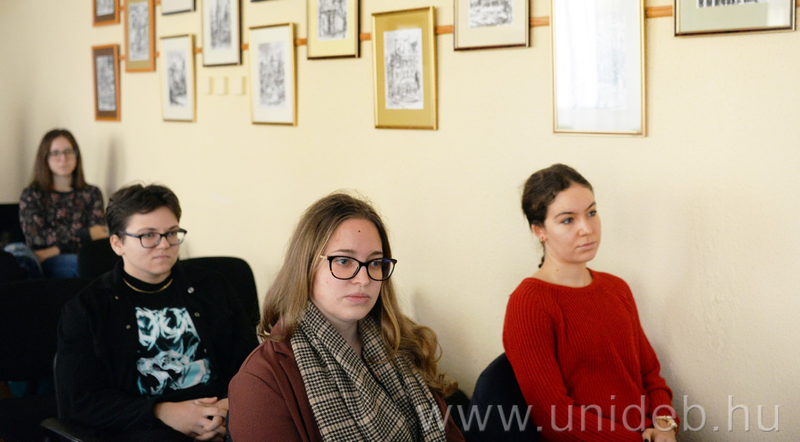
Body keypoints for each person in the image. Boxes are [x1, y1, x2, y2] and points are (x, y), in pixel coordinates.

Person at [228, 192, 465, 442]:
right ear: (306, 266)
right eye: (343, 261)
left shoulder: (403, 342)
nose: (364, 279)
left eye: (375, 263)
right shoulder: (260, 381)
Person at [56, 184, 258, 442]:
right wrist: (161, 412)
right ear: (117, 243)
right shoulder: (87, 308)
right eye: (148, 235)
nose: (164, 244)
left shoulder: (212, 286)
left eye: (171, 233)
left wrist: (226, 409)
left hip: (223, 414)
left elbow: (250, 365)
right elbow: (80, 402)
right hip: (143, 427)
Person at [503, 164, 680, 442]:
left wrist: (665, 424)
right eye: (567, 220)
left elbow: (649, 374)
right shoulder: (529, 304)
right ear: (539, 230)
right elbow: (555, 418)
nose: (587, 229)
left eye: (591, 213)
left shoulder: (616, 288)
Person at [9, 129, 107, 278]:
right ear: (45, 158)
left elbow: (98, 236)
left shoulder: (92, 193)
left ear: (76, 155)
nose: (63, 158)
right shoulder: (32, 194)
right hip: (46, 262)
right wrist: (85, 234)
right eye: (55, 153)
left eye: (68, 151)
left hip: (76, 256)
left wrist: (54, 249)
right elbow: (37, 237)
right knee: (82, 266)